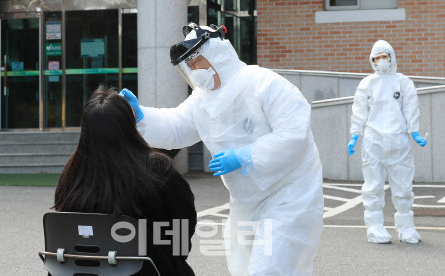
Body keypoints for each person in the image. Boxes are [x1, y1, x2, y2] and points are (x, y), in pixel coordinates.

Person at [120, 23, 324, 276]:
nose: (194, 72)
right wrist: (142, 117)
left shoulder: (264, 83)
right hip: (247, 198)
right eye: (189, 67)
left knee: (271, 268)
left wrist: (245, 156)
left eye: (196, 63)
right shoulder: (203, 99)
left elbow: (294, 134)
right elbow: (177, 127)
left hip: (289, 192)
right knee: (243, 267)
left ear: (217, 55)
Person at [53, 87, 197, 275]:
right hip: (149, 270)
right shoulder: (158, 169)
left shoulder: (72, 174)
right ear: (130, 124)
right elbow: (183, 225)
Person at [348, 40, 427, 244]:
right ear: (372, 61)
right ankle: (375, 228)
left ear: (392, 57)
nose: (382, 60)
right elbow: (359, 111)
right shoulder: (367, 84)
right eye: (377, 57)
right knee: (373, 186)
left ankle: (406, 228)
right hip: (374, 142)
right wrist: (354, 134)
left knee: (403, 187)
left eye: (385, 56)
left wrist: (415, 131)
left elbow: (411, 107)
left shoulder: (403, 82)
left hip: (399, 141)